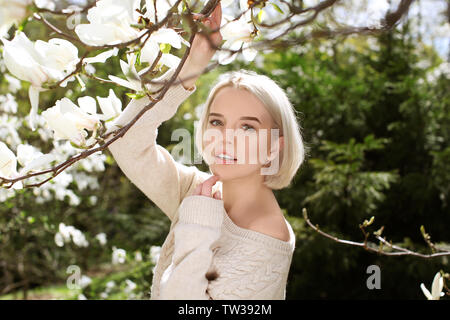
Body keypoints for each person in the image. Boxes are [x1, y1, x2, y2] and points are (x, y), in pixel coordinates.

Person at [105, 1, 306, 300]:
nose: (225, 139)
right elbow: (126, 139)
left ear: (274, 146)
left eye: (247, 127)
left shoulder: (266, 239)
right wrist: (191, 65)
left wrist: (199, 221)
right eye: (217, 122)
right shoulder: (198, 189)